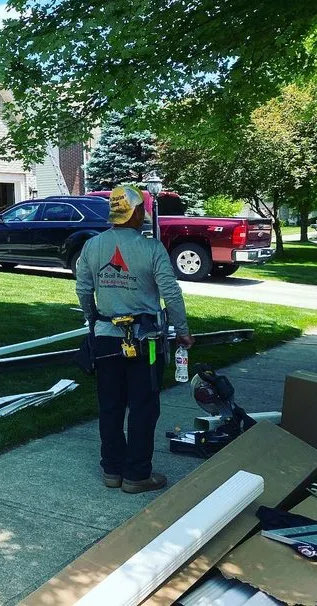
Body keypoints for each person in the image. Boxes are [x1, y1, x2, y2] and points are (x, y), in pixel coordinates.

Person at [75, 185, 194, 494]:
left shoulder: (92, 247)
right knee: (143, 407)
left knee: (110, 405)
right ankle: (137, 475)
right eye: (143, 209)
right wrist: (181, 329)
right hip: (148, 343)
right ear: (137, 212)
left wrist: (93, 319)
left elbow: (83, 290)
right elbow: (171, 293)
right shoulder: (151, 249)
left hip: (105, 341)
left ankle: (112, 470)